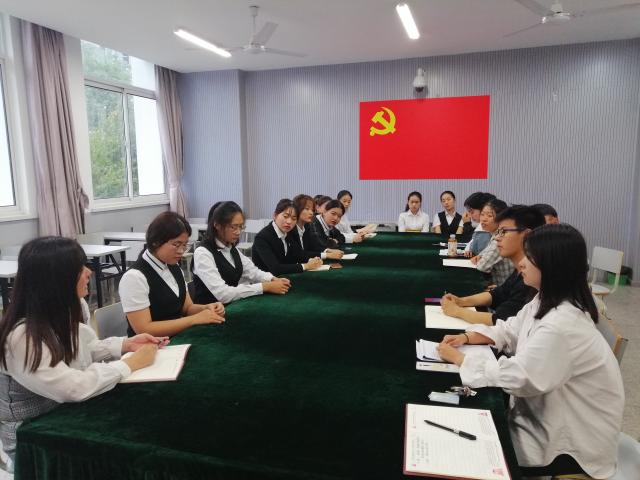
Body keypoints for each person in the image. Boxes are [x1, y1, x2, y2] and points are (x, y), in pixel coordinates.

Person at [437, 224, 624, 479]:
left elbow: (520, 378)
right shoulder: (543, 299)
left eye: (530, 257)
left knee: (469, 454)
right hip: (543, 418)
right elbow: (510, 330)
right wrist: (468, 337)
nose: (521, 263)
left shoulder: (563, 324)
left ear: (553, 266)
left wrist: (462, 360)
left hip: (569, 445)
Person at [0, 237, 163, 465]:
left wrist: (124, 345)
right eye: (79, 268)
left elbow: (83, 349)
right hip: (31, 441)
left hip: (65, 416)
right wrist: (130, 364)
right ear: (57, 278)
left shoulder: (69, 307)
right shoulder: (21, 336)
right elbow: (71, 387)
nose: (89, 272)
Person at [119, 212, 226, 337]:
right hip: (150, 344)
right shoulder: (134, 277)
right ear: (156, 242)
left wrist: (206, 308)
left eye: (184, 245)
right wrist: (194, 319)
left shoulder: (173, 266)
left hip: (177, 338)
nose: (181, 251)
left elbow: (187, 308)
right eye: (176, 244)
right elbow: (144, 329)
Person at [441, 205, 545, 325]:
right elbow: (497, 294)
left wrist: (457, 311)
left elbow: (500, 320)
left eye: (504, 232)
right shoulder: (520, 270)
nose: (496, 238)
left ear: (526, 235)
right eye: (498, 232)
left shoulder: (533, 278)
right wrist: (461, 301)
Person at [192, 201, 290, 304]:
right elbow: (223, 294)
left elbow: (252, 271)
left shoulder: (231, 248)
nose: (238, 232)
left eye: (241, 227)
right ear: (217, 225)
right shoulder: (202, 253)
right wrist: (264, 287)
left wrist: (272, 279)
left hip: (231, 306)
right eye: (233, 227)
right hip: (209, 310)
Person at [252, 199, 323, 275]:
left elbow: (298, 253)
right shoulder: (262, 237)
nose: (289, 222)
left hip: (285, 276)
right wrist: (306, 266)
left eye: (294, 218)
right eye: (285, 216)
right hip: (267, 279)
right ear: (275, 215)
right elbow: (275, 268)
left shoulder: (288, 232)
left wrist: (312, 260)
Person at [471, 199, 514, 286]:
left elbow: (482, 266)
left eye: (489, 216)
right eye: (482, 214)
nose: (483, 219)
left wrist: (481, 258)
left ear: (501, 218)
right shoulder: (495, 234)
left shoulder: (500, 239)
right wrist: (480, 256)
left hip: (504, 289)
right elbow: (484, 253)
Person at [290, 194, 344, 261]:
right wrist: (326, 255)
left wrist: (327, 250)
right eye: (307, 209)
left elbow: (313, 247)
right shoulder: (291, 228)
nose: (311, 213)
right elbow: (298, 254)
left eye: (312, 210)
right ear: (297, 209)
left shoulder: (306, 226)